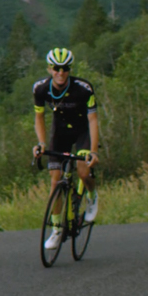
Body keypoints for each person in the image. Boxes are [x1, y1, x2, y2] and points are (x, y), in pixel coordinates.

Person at [31, 47, 98, 249]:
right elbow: (39, 118)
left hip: (82, 132)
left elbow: (93, 120)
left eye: (65, 68)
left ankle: (91, 196)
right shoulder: (40, 89)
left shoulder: (84, 88)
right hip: (59, 133)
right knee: (55, 181)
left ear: (70, 69)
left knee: (83, 172)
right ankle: (57, 230)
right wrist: (41, 143)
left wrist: (93, 151)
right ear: (50, 69)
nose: (61, 73)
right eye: (56, 68)